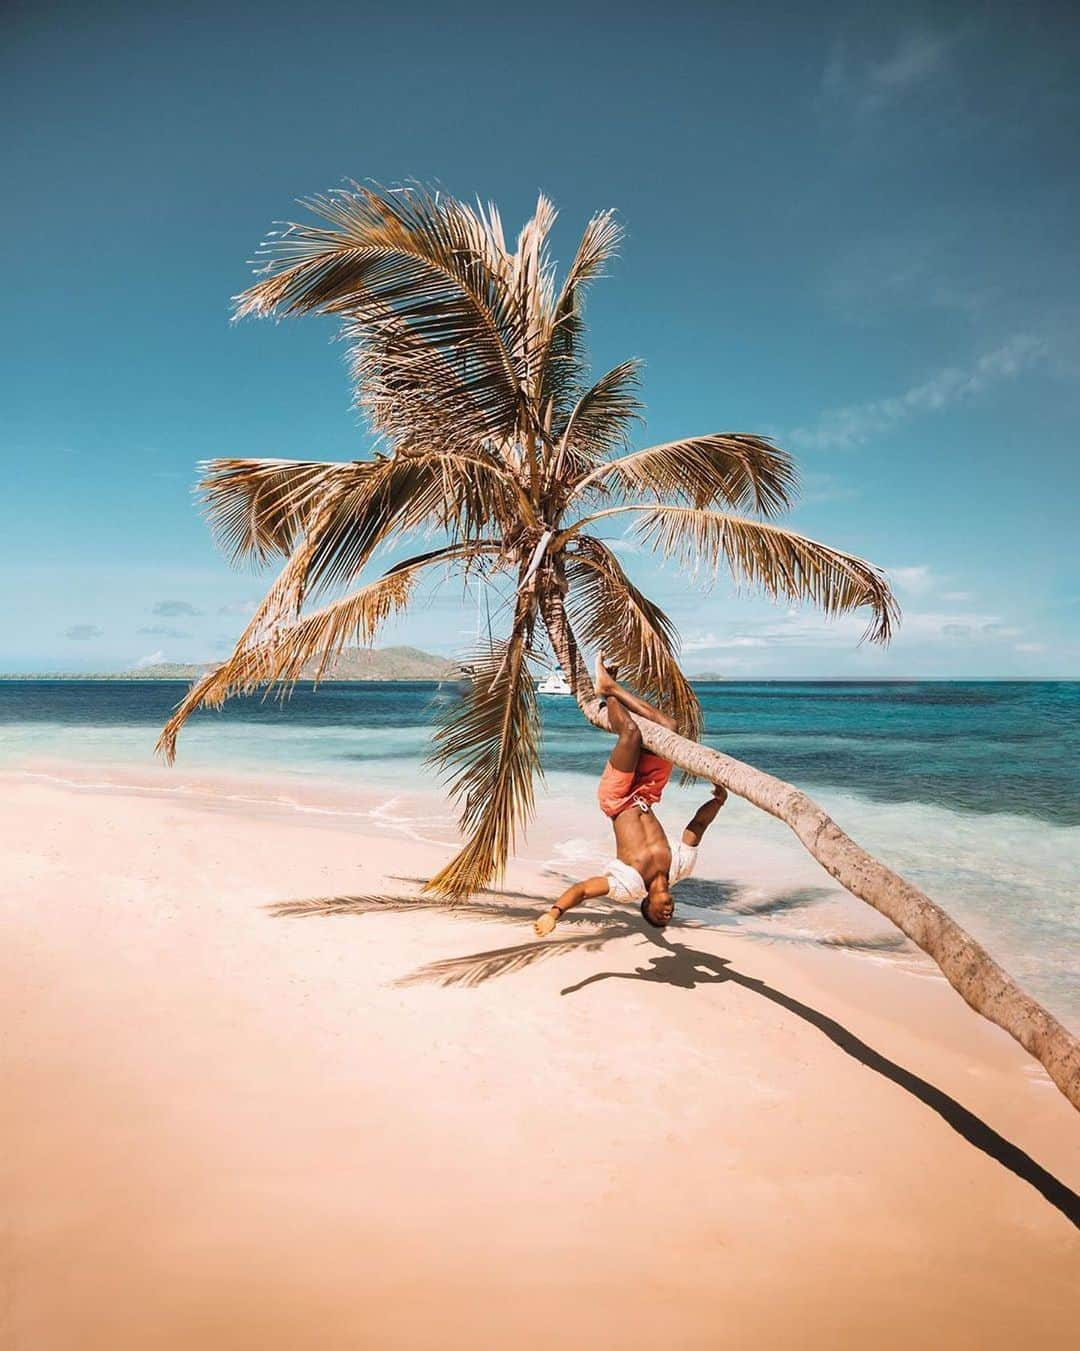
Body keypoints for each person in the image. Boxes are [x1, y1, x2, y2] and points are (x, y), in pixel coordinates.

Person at [534, 654, 727, 936]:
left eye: (658, 918)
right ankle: (610, 687)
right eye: (669, 918)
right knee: (671, 729)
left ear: (646, 905)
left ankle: (608, 690)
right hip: (648, 793)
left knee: (631, 735)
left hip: (618, 798)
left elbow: (584, 889)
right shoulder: (681, 868)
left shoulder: (629, 885)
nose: (667, 915)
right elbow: (697, 827)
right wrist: (718, 801)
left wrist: (554, 913)